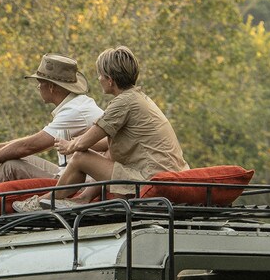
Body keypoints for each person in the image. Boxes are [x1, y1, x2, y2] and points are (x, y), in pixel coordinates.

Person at [19, 45, 187, 209]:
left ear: (110, 79)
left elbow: (83, 144)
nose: (98, 79)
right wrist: (76, 142)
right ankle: (84, 198)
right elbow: (102, 142)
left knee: (80, 157)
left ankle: (45, 201)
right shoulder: (137, 98)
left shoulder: (123, 103)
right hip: (163, 174)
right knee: (108, 153)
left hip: (149, 179)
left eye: (99, 75)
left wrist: (68, 145)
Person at [0, 54, 106, 192]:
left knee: (11, 166)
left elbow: (29, 146)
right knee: (15, 158)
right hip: (74, 175)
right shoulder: (77, 105)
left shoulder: (74, 111)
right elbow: (29, 144)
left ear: (52, 86)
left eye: (40, 82)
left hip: (82, 184)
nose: (38, 87)